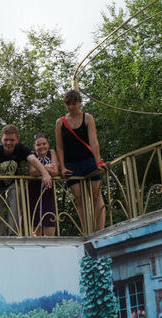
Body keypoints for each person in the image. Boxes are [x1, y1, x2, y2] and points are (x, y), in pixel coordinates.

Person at [0, 125, 52, 236]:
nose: (9, 143)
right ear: (1, 139)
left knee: (16, 191)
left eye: (12, 140)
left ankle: (13, 233)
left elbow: (33, 160)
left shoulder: (21, 149)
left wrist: (45, 173)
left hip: (11, 185)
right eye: (6, 140)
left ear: (17, 140)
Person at [55, 90, 107, 233]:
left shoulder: (88, 118)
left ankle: (100, 229)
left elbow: (94, 141)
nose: (72, 107)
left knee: (96, 194)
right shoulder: (60, 123)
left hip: (88, 160)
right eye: (68, 104)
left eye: (74, 104)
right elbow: (59, 147)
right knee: (78, 198)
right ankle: (87, 230)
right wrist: (63, 167)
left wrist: (98, 162)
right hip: (71, 163)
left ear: (80, 103)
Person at [28, 133, 59, 237]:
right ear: (34, 146)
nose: (42, 147)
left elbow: (55, 172)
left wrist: (40, 169)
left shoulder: (52, 153)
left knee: (50, 227)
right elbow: (32, 172)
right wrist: (46, 167)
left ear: (48, 144)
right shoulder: (32, 155)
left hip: (48, 192)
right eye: (38, 145)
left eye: (44, 144)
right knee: (36, 230)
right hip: (34, 193)